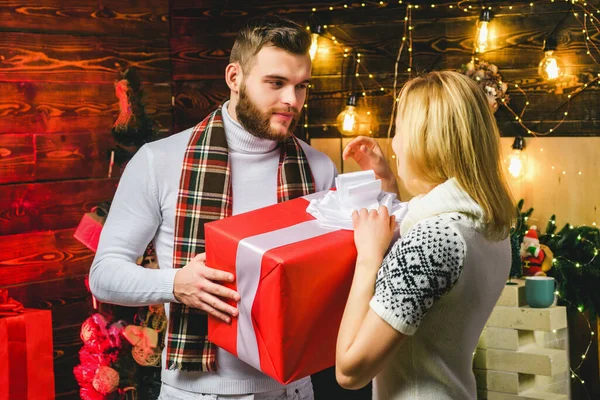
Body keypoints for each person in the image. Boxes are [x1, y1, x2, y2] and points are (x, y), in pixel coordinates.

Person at [90, 16, 340, 400]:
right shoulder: (159, 160)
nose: (292, 100)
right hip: (197, 392)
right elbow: (103, 275)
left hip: (294, 389)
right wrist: (174, 284)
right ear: (234, 77)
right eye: (275, 83)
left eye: (301, 86)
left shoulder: (319, 168)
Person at [336, 71, 515, 399]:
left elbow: (350, 370)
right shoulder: (488, 222)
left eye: (401, 130)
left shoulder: (432, 242)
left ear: (425, 141)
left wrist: (369, 258)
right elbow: (432, 289)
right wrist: (388, 184)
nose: (395, 143)